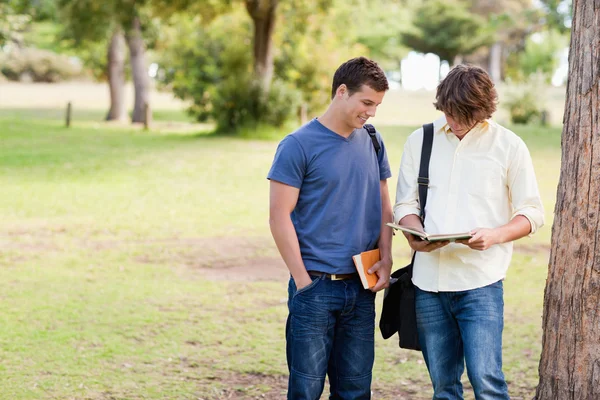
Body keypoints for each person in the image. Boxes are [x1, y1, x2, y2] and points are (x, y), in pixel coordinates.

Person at [393, 64, 544, 399]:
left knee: (487, 382)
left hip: (481, 284)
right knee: (443, 387)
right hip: (428, 284)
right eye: (449, 112)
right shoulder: (421, 140)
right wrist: (414, 233)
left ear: (483, 110)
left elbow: (532, 213)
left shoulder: (509, 145)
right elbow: (404, 205)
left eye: (463, 114)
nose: (454, 120)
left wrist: (495, 235)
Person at [267, 57, 394, 400]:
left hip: (361, 288)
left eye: (377, 105)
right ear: (342, 92)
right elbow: (278, 216)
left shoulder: (372, 139)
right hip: (316, 288)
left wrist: (387, 257)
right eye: (366, 102)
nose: (371, 113)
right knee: (306, 391)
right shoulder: (298, 145)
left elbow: (384, 204)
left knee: (355, 391)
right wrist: (303, 282)